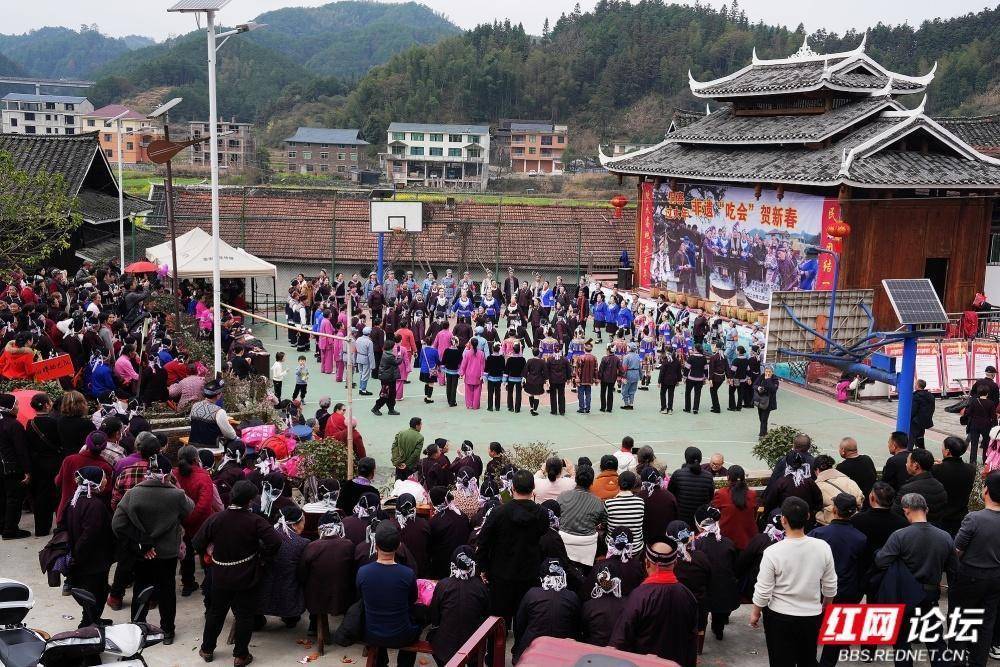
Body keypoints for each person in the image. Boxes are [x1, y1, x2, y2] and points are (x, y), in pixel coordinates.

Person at [112, 453, 193, 644]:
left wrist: (141, 541)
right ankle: (167, 631)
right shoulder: (176, 495)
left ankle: (138, 628)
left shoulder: (133, 494)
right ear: (168, 474)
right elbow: (189, 508)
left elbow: (117, 524)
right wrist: (171, 486)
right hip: (167, 552)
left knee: (141, 588)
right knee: (167, 590)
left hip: (142, 552)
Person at [750, 497, 838, 667]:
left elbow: (763, 589)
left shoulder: (772, 552)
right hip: (810, 615)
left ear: (783, 520)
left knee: (780, 661)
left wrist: (756, 612)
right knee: (807, 660)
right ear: (808, 516)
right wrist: (826, 606)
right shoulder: (822, 547)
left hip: (779, 616)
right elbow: (830, 584)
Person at [874, 493, 957, 667]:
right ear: (926, 509)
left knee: (902, 643)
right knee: (936, 643)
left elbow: (881, 561)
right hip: (930, 596)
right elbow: (953, 569)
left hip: (904, 596)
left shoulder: (899, 536)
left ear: (906, 510)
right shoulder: (944, 536)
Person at [474, 469, 548, 629]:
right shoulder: (542, 514)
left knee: (498, 622)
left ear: (512, 487)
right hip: (530, 573)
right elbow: (544, 539)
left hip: (501, 573)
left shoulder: (498, 512)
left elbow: (483, 542)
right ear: (533, 488)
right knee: (525, 621)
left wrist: (483, 568)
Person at [610, 535, 699, 665]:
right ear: (675, 563)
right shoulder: (688, 596)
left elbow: (620, 641)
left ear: (646, 563)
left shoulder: (639, 597)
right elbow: (692, 643)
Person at [809, 494, 868, 667]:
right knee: (835, 636)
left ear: (834, 510)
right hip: (847, 590)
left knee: (811, 630)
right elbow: (863, 569)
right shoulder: (860, 538)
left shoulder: (818, 534)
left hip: (818, 590)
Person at [950, 471, 1000, 667]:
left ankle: (957, 659)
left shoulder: (974, 519)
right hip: (995, 577)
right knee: (987, 623)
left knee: (960, 619)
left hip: (969, 576)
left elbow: (957, 550)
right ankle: (978, 661)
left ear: (986, 491)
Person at [357, 522, 423, 667]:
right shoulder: (407, 574)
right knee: (418, 619)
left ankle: (381, 663)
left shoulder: (363, 572)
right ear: (399, 546)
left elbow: (361, 596)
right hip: (402, 635)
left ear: (376, 545)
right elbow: (412, 599)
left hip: (372, 633)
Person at [63, 466, 114, 627]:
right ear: (94, 482)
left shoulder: (74, 500)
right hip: (93, 560)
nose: (106, 481)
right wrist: (78, 554)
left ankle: (92, 619)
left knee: (89, 591)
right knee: (97, 592)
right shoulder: (95, 505)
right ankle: (88, 624)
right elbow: (90, 535)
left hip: (81, 558)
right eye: (103, 478)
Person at [427, 546, 490, 666]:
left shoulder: (443, 585)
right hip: (473, 645)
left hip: (444, 648)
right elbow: (486, 614)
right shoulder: (480, 587)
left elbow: (434, 616)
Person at [299, 510, 356, 639]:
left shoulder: (312, 546)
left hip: (316, 597)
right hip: (342, 595)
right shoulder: (349, 545)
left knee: (312, 586)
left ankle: (314, 625)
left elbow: (302, 573)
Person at [512, 559, 581, 664]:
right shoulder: (572, 596)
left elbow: (520, 624)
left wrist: (518, 648)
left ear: (541, 577)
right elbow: (577, 627)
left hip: (531, 650)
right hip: (562, 652)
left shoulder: (532, 594)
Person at [173, 445, 217, 598]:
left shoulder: (173, 475)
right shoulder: (203, 476)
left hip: (181, 523)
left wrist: (184, 520)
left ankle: (187, 584)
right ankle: (208, 584)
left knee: (186, 555)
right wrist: (191, 519)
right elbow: (204, 505)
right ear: (196, 459)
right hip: (201, 524)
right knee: (207, 554)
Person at [258, 505, 308, 628]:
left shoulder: (265, 537)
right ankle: (290, 618)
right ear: (294, 525)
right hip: (289, 593)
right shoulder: (302, 543)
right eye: (303, 522)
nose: (304, 526)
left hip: (263, 591)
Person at [25, 393, 62, 537]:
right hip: (54, 463)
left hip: (37, 464)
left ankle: (41, 528)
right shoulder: (55, 423)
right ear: (46, 405)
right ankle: (59, 525)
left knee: (40, 496)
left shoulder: (30, 423)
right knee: (55, 495)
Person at [557, 465, 608, 568]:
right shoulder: (598, 502)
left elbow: (557, 515)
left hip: (563, 542)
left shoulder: (563, 496)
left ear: (575, 479)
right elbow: (603, 522)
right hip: (588, 547)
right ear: (592, 482)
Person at [931, 436, 976, 536]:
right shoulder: (971, 469)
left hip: (941, 517)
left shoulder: (936, 469)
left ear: (947, 451)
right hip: (960, 515)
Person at [891, 448, 948, 526]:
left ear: (915, 465)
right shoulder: (940, 487)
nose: (906, 464)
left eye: (907, 462)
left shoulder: (907, 489)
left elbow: (895, 514)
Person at [0, 393, 30, 539]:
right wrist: (27, 470)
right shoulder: (14, 425)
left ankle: (3, 526)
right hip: (12, 468)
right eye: (16, 404)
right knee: (14, 499)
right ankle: (10, 530)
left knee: (3, 498)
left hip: (2, 467)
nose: (18, 407)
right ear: (9, 407)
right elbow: (21, 450)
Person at [427, 487, 471, 580]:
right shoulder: (462, 515)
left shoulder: (435, 521)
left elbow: (430, 546)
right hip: (463, 559)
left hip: (443, 566)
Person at [713, 465, 758, 550]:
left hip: (726, 541)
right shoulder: (752, 494)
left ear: (728, 477)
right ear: (743, 478)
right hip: (749, 540)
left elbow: (714, 513)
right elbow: (754, 514)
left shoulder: (721, 494)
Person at [668, 446, 715, 527]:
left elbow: (670, 494)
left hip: (681, 518)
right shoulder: (708, 476)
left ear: (686, 459)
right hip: (700, 519)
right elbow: (710, 497)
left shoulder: (678, 474)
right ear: (700, 459)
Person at [814, 454, 864, 526]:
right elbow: (861, 499)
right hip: (855, 520)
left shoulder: (817, 486)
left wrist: (818, 515)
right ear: (832, 467)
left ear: (817, 470)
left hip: (833, 524)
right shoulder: (848, 480)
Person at [604, 471, 645, 554]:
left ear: (618, 484)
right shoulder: (640, 502)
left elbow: (604, 523)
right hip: (635, 548)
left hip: (613, 548)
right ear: (634, 485)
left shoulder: (608, 503)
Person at [638, 466, 678, 543]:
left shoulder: (639, 497)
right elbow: (676, 517)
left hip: (645, 540)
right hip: (666, 540)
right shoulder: (669, 496)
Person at [965, 384, 995, 465]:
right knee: (986, 444)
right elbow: (993, 417)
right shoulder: (991, 403)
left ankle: (973, 461)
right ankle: (985, 460)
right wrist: (995, 426)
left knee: (974, 443)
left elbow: (969, 413)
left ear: (978, 393)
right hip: (986, 425)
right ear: (987, 393)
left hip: (974, 424)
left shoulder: (974, 401)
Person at [372, 342, 400, 416]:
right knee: (385, 395)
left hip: (390, 377)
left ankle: (391, 409)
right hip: (387, 378)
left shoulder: (386, 354)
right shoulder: (389, 356)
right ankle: (376, 408)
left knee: (392, 394)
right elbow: (397, 362)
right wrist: (400, 356)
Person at [753, 366, 779, 437]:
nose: (767, 373)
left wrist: (768, 380)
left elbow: (773, 389)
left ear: (772, 372)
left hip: (768, 402)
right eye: (766, 371)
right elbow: (754, 385)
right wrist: (758, 388)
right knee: (761, 418)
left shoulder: (775, 379)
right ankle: (764, 432)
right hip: (760, 400)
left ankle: (762, 434)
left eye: (769, 372)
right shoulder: (761, 376)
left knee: (764, 418)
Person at [909, 378, 935, 448]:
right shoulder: (930, 396)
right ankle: (921, 450)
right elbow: (932, 408)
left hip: (916, 421)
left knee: (911, 437)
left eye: (915, 384)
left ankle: (909, 450)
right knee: (920, 436)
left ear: (917, 386)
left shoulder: (916, 396)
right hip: (925, 420)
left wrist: (910, 418)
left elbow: (913, 410)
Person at [546, 350, 572, 416]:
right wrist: (569, 378)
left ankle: (554, 411)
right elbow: (568, 369)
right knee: (561, 395)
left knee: (553, 395)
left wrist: (547, 379)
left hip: (553, 380)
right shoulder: (565, 359)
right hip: (561, 380)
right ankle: (562, 411)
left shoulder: (550, 359)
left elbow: (547, 370)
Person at [683, 344, 707, 414]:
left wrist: (684, 377)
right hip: (700, 379)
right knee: (697, 394)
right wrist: (705, 378)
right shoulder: (704, 358)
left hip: (691, 378)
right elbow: (705, 369)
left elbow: (687, 368)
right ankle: (695, 409)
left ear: (695, 349)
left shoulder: (691, 357)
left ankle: (687, 408)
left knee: (688, 393)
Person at [658, 347, 682, 414]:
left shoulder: (665, 361)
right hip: (673, 380)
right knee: (671, 394)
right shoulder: (677, 361)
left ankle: (664, 408)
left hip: (665, 380)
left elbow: (662, 372)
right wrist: (678, 380)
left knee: (663, 393)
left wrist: (659, 381)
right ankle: (670, 409)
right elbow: (679, 372)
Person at [597, 345, 621, 413]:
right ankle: (609, 408)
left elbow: (601, 369)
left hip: (604, 378)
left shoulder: (604, 358)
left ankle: (603, 407)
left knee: (603, 392)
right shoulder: (617, 359)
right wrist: (619, 376)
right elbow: (620, 368)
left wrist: (599, 377)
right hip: (613, 378)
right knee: (610, 393)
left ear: (608, 351)